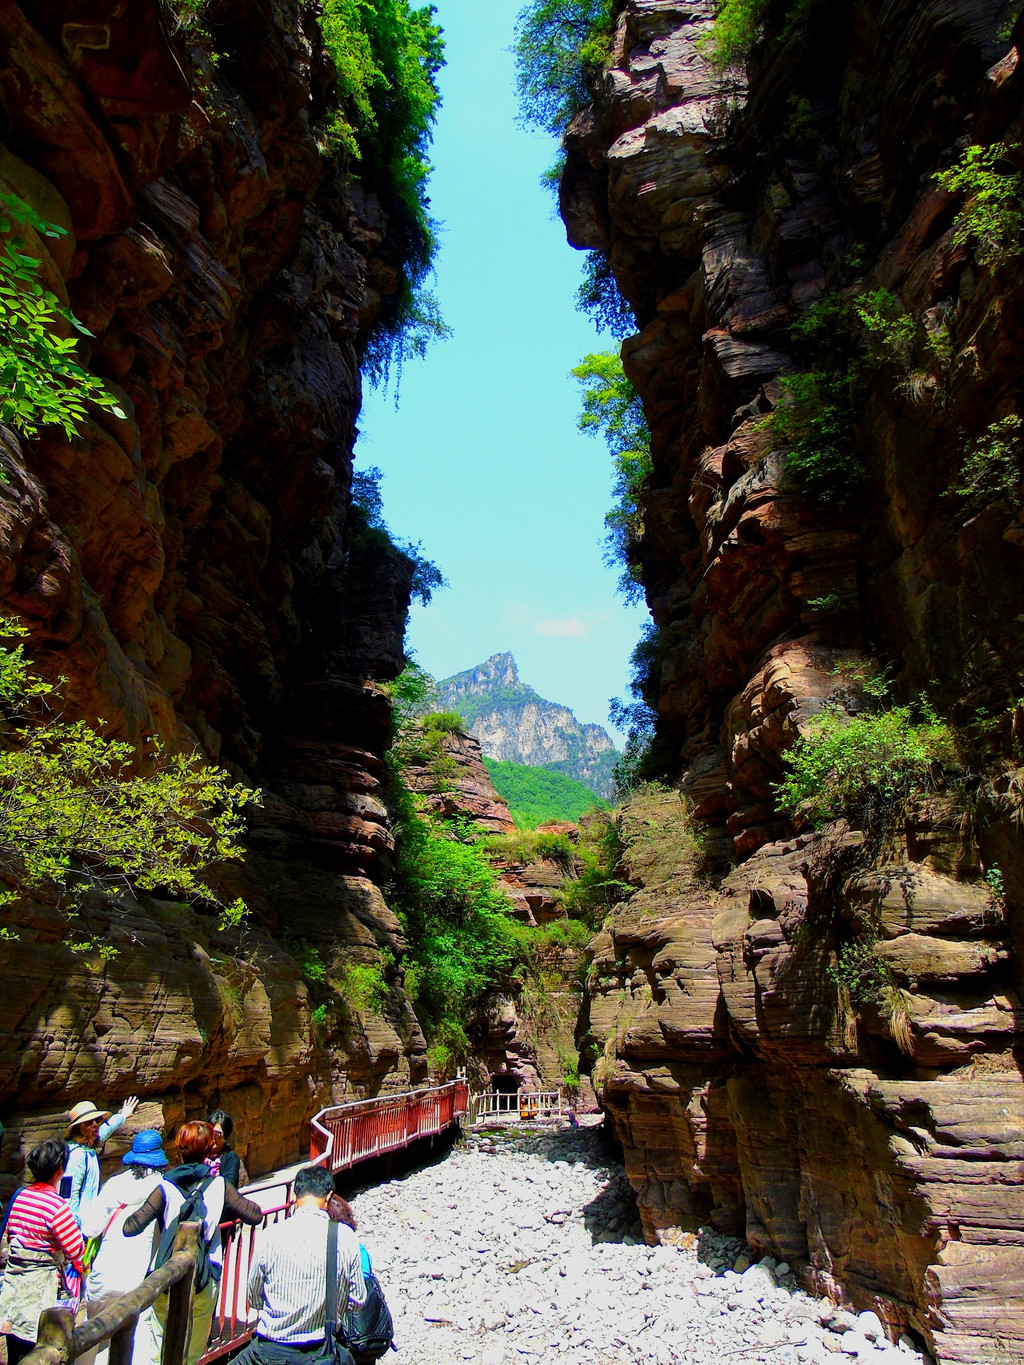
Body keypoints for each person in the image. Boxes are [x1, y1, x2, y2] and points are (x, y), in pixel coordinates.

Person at [125, 1120, 262, 1365]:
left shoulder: (165, 1187)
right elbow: (255, 1215)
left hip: (164, 1280)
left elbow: (131, 1227)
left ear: (179, 1150)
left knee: (158, 1348)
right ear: (210, 1150)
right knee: (191, 1355)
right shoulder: (219, 1186)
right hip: (204, 1279)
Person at [230, 1165, 365, 1365]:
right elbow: (357, 1300)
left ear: (294, 1195)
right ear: (328, 1197)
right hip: (321, 1350)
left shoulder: (270, 1236)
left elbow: (255, 1298)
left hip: (269, 1351)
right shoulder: (345, 1237)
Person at [78, 1132, 170, 1365]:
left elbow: (90, 1229)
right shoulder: (164, 1188)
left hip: (104, 1277)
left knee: (91, 1334)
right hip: (137, 1279)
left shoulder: (115, 1184)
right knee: (136, 1340)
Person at [0, 1139, 85, 1365]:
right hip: (41, 1290)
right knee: (39, 1352)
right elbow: (75, 1249)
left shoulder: (20, 1197)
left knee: (14, 1347)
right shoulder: (57, 1206)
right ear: (59, 1170)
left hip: (15, 1287)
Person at [65, 1096, 140, 1228]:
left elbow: (105, 1130)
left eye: (97, 1120)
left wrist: (122, 1116)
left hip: (87, 1223)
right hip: (78, 1227)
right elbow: (68, 1194)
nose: (95, 1124)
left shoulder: (88, 1145)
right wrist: (74, 1228)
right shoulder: (76, 1156)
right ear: (78, 1128)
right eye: (88, 1122)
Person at [205, 1111, 242, 1189]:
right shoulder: (199, 1154)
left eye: (217, 1134)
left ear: (225, 1136)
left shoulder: (231, 1158)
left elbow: (230, 1186)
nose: (213, 1138)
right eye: (210, 1132)